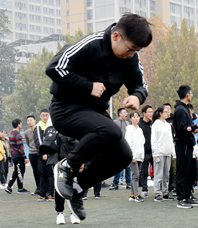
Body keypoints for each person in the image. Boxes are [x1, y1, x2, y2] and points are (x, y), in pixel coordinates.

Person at [46, 13, 152, 216]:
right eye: (130, 49)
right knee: (110, 130)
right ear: (116, 37)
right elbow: (54, 67)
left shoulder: (131, 58)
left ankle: (77, 186)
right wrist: (87, 86)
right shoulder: (91, 44)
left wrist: (137, 96)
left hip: (94, 112)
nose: (131, 55)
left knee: (123, 156)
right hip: (65, 108)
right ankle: (67, 166)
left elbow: (140, 83)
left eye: (136, 51)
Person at [172, 85, 198, 208]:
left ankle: (188, 196)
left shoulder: (185, 109)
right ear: (187, 94)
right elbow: (182, 129)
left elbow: (187, 127)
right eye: (191, 93)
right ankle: (181, 198)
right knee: (182, 171)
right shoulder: (180, 110)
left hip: (188, 144)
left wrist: (193, 129)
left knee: (189, 171)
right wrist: (195, 127)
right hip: (182, 144)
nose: (192, 95)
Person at [151, 104, 175, 202]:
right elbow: (154, 140)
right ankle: (157, 193)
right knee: (158, 174)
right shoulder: (156, 124)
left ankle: (165, 192)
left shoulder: (167, 125)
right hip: (159, 153)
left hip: (167, 152)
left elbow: (170, 139)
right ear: (160, 113)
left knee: (166, 174)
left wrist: (173, 153)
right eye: (166, 112)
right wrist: (155, 153)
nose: (168, 113)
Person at [5, 118, 30, 194]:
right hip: (18, 156)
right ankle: (20, 188)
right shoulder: (17, 134)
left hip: (13, 155)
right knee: (20, 172)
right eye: (21, 123)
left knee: (16, 171)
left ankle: (9, 187)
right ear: (18, 124)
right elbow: (21, 147)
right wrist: (25, 157)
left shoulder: (10, 133)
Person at [125, 111, 145, 202]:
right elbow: (129, 143)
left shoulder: (140, 130)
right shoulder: (129, 129)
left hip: (140, 156)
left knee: (136, 175)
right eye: (134, 117)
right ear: (131, 119)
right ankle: (137, 194)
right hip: (132, 156)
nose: (136, 118)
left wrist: (142, 155)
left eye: (137, 116)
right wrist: (132, 156)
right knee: (136, 175)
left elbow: (142, 143)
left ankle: (132, 195)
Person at [35, 108, 54, 201]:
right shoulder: (39, 126)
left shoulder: (50, 125)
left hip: (50, 153)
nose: (45, 117)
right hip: (44, 154)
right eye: (43, 115)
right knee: (49, 173)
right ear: (40, 116)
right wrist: (44, 153)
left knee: (46, 173)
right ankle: (49, 194)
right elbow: (39, 141)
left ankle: (43, 194)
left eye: (47, 115)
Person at [109, 107, 130, 190]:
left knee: (128, 167)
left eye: (126, 112)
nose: (126, 114)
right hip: (118, 148)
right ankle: (115, 183)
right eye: (124, 112)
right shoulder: (115, 123)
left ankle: (129, 183)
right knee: (118, 166)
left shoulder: (128, 123)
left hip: (127, 148)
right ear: (119, 114)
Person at [23, 115, 41, 194]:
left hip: (39, 153)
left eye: (31, 120)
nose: (29, 122)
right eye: (28, 120)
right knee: (35, 171)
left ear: (35, 120)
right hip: (31, 153)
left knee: (41, 170)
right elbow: (28, 142)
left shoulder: (39, 129)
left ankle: (43, 187)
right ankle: (38, 188)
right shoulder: (26, 132)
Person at [140, 104, 154, 198]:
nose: (151, 114)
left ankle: (159, 190)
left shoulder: (153, 124)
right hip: (144, 152)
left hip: (154, 152)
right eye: (149, 112)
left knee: (157, 171)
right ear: (144, 113)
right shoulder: (139, 124)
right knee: (144, 172)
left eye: (152, 112)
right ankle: (144, 190)